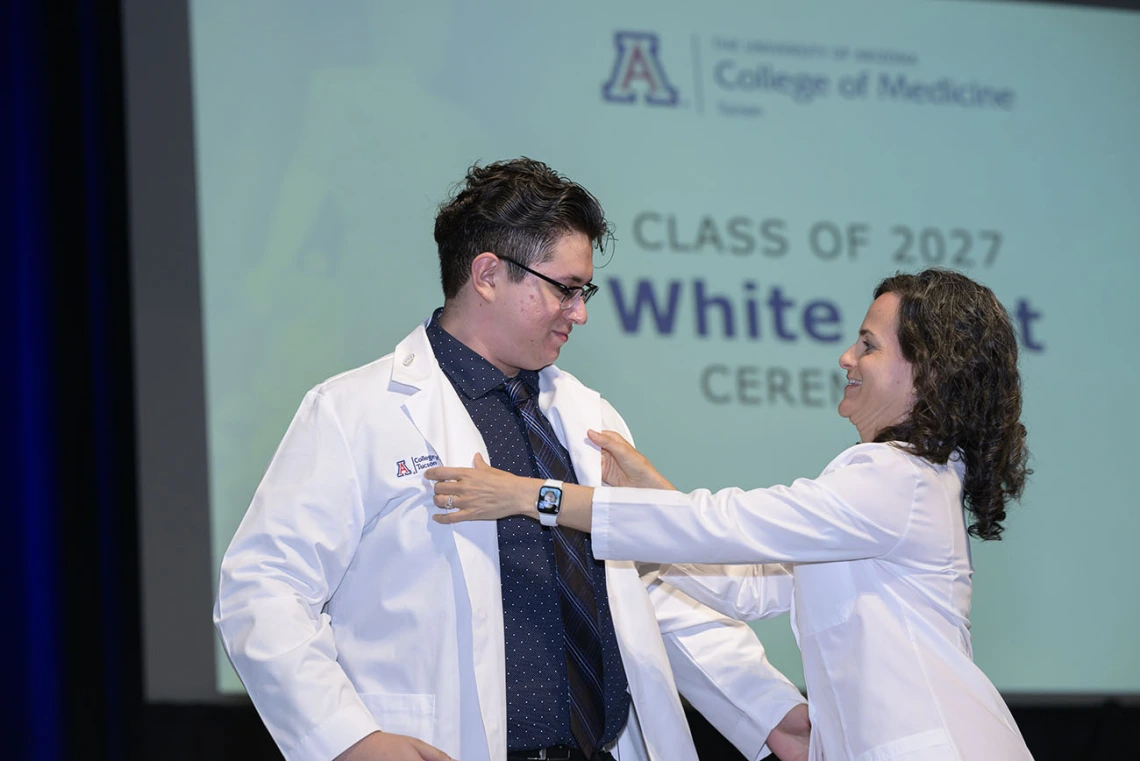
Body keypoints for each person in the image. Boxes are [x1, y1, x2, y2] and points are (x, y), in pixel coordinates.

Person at [214, 157, 809, 761]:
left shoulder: (586, 417)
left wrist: (768, 709)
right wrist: (348, 739)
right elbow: (263, 589)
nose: (579, 312)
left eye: (585, 291)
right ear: (489, 274)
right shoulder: (354, 411)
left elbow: (639, 592)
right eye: (565, 289)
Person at [427, 268, 1035, 760]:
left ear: (927, 373)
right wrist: (655, 493)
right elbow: (743, 586)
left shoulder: (893, 478)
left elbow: (724, 524)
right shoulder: (900, 486)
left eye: (870, 345)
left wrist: (535, 496)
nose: (847, 357)